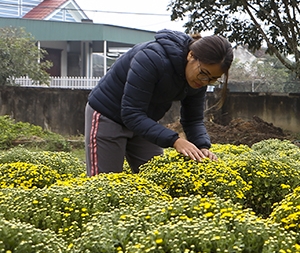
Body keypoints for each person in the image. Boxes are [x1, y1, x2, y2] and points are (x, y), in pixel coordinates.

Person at [85, 30, 233, 176]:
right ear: (191, 55)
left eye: (213, 79)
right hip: (108, 115)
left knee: (157, 178)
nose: (205, 81)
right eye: (204, 74)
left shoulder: (198, 80)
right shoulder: (152, 58)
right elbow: (131, 113)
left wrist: (202, 146)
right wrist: (175, 140)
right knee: (106, 183)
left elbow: (193, 120)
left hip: (143, 121)